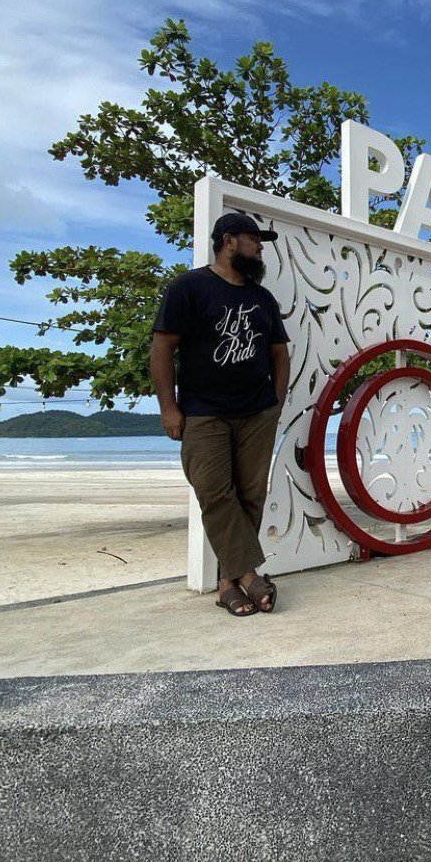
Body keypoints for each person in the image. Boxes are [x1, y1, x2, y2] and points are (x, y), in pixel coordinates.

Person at [150, 211, 290, 617]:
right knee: (214, 491)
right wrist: (168, 407)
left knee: (250, 497)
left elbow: (279, 353)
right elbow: (162, 349)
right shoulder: (189, 288)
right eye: (254, 239)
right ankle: (249, 577)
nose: (260, 247)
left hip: (256, 412)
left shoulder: (262, 299)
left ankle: (227, 586)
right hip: (203, 412)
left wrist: (275, 403)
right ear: (229, 240)